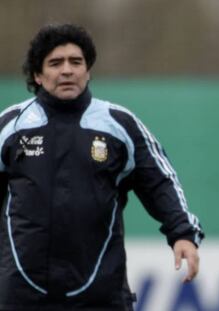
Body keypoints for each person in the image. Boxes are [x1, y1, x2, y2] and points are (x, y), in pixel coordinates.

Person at [0, 23, 204, 310]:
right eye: (55, 63)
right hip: (22, 292)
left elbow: (160, 181)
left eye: (76, 61)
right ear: (38, 75)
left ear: (88, 70)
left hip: (100, 291)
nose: (67, 70)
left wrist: (182, 233)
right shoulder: (11, 126)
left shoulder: (118, 125)